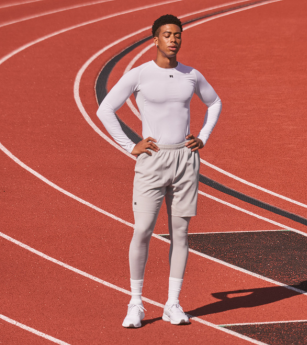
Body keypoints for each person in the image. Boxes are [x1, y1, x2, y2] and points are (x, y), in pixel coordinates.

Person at [97, 14, 222, 328]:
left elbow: (215, 102)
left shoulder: (190, 75)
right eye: (167, 34)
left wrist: (203, 137)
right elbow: (105, 109)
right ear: (155, 39)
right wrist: (130, 145)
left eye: (177, 35)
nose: (173, 39)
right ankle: (136, 303)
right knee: (142, 231)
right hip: (152, 161)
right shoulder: (139, 75)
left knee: (180, 233)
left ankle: (172, 304)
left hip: (185, 160)